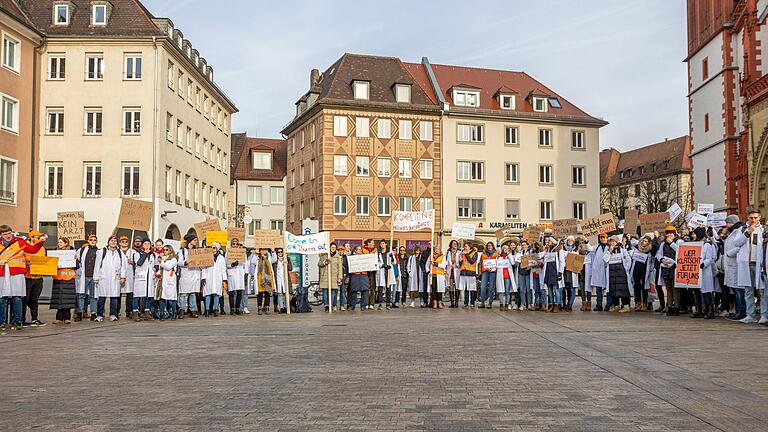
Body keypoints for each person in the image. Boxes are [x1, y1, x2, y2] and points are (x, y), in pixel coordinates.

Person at [0, 225, 45, 332]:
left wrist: (40, 242)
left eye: (9, 233)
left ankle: (18, 321)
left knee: (17, 297)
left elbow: (32, 250)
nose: (8, 236)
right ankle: (1, 322)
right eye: (5, 234)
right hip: (2, 273)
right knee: (2, 299)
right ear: (1, 235)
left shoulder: (19, 242)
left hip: (17, 273)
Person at [730, 209, 763, 324]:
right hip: (746, 263)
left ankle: (764, 315)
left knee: (762, 291)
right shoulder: (742, 229)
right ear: (748, 218)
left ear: (759, 218)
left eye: (755, 218)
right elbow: (736, 243)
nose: (753, 220)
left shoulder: (762, 229)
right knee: (748, 291)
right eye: (751, 218)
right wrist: (748, 232)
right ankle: (750, 315)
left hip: (759, 263)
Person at [94, 236, 127, 322]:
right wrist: (96, 277)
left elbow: (123, 265)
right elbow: (97, 265)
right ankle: (100, 314)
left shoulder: (119, 252)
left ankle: (113, 314)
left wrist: (123, 276)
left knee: (114, 297)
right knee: (101, 297)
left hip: (115, 278)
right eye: (111, 241)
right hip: (103, 278)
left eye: (115, 241)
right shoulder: (102, 251)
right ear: (108, 242)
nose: (113, 242)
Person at [23, 230, 47, 327]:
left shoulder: (42, 248)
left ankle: (34, 319)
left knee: (35, 299)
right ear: (32, 238)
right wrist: (28, 263)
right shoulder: (25, 247)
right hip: (27, 277)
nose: (39, 238)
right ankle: (21, 319)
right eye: (38, 237)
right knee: (25, 299)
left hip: (39, 277)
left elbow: (44, 260)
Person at [50, 237, 76, 324]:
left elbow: (77, 265)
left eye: (61, 242)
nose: (59, 243)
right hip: (58, 278)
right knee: (59, 299)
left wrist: (75, 260)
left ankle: (67, 317)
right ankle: (59, 318)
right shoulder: (55, 252)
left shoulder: (72, 252)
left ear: (66, 243)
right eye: (59, 242)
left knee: (67, 299)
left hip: (69, 279)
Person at [723, 215, 745, 319]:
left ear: (733, 223)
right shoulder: (734, 232)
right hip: (731, 265)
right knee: (736, 290)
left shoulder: (739, 231)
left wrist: (728, 254)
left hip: (735, 264)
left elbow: (739, 246)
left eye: (728, 223)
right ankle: (738, 311)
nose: (726, 225)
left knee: (739, 291)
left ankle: (741, 312)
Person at [605, 235, 632, 313]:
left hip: (621, 274)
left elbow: (628, 260)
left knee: (623, 290)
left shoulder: (622, 250)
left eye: (614, 241)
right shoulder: (608, 250)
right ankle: (616, 305)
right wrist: (609, 251)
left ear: (617, 242)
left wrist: (625, 269)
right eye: (611, 241)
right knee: (613, 290)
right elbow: (605, 260)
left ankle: (626, 306)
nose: (612, 243)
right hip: (612, 274)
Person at [75, 234, 99, 321]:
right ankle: (79, 313)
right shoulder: (81, 250)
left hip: (94, 277)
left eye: (94, 240)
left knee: (93, 296)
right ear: (88, 241)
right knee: (81, 295)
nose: (92, 241)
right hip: (83, 276)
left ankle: (93, 313)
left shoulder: (99, 252)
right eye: (91, 240)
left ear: (96, 241)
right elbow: (76, 260)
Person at [177, 233, 201, 318]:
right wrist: (185, 262)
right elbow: (178, 262)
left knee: (192, 293)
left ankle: (193, 310)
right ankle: (181, 310)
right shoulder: (182, 251)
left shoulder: (197, 251)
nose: (196, 241)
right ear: (190, 241)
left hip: (194, 274)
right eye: (194, 240)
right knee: (183, 293)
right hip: (185, 274)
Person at [630, 234, 655, 312]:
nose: (644, 242)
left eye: (646, 241)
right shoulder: (637, 248)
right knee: (637, 286)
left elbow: (652, 262)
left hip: (645, 271)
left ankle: (645, 303)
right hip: (636, 270)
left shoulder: (650, 250)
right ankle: (638, 303)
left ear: (649, 243)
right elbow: (631, 243)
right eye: (643, 241)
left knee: (645, 287)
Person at [132, 239, 156, 321]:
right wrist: (145, 253)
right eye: (145, 243)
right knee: (137, 296)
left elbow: (156, 264)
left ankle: (147, 312)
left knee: (148, 296)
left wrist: (156, 268)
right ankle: (135, 312)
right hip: (140, 277)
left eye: (148, 243)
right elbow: (139, 263)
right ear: (142, 245)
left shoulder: (153, 255)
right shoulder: (137, 253)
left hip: (150, 278)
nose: (147, 245)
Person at [202, 242, 228, 317]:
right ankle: (207, 310)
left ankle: (216, 309)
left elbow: (223, 270)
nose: (212, 249)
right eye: (211, 247)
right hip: (208, 278)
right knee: (207, 294)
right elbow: (204, 268)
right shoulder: (207, 257)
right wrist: (203, 278)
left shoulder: (221, 258)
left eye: (214, 248)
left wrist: (224, 279)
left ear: (217, 248)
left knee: (217, 294)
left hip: (217, 279)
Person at [540, 237, 564, 313]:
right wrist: (539, 247)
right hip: (548, 271)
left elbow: (562, 262)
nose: (547, 242)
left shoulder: (559, 250)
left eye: (549, 241)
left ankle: (557, 305)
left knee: (556, 290)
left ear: (553, 242)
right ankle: (551, 304)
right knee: (549, 290)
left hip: (555, 272)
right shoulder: (547, 250)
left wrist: (560, 272)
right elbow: (540, 256)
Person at [319, 243, 344, 312]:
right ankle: (326, 305)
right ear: (329, 248)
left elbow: (340, 268)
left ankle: (331, 305)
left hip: (334, 276)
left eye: (334, 247)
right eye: (332, 247)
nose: (333, 248)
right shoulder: (324, 255)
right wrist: (325, 262)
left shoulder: (337, 256)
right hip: (325, 276)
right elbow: (319, 264)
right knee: (325, 291)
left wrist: (340, 277)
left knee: (333, 291)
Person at [157, 244, 179, 320]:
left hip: (170, 281)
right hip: (162, 281)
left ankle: (174, 312)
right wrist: (157, 274)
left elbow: (168, 267)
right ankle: (162, 314)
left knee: (171, 299)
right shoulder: (163, 258)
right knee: (162, 298)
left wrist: (161, 262)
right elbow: (160, 269)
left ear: (170, 250)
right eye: (164, 250)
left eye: (166, 250)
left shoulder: (174, 259)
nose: (165, 251)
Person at [226, 238, 247, 315]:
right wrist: (231, 265)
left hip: (240, 273)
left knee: (239, 292)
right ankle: (232, 308)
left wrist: (246, 273)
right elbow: (226, 264)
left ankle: (237, 308)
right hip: (232, 273)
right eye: (233, 244)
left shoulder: (242, 253)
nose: (235, 245)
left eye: (236, 244)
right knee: (231, 292)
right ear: (231, 245)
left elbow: (245, 264)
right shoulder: (228, 252)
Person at [589, 233, 610, 311]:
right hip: (598, 270)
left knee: (608, 289)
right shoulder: (597, 246)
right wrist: (587, 241)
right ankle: (599, 304)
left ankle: (608, 304)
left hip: (606, 270)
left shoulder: (609, 247)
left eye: (604, 237)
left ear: (607, 238)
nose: (603, 239)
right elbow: (590, 249)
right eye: (601, 237)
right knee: (598, 288)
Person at [254, 248, 276, 315]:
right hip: (260, 278)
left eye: (264, 250)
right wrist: (256, 253)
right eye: (262, 250)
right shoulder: (257, 257)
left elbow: (274, 260)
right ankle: (259, 308)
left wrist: (273, 251)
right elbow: (253, 262)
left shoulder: (269, 257)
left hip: (268, 278)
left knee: (267, 293)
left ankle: (266, 307)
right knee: (260, 294)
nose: (263, 251)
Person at [347, 246, 369, 311]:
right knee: (354, 291)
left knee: (364, 291)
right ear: (355, 251)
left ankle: (363, 306)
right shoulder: (352, 258)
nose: (359, 251)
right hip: (355, 275)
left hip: (363, 274)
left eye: (360, 250)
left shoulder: (365, 258)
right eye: (358, 250)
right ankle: (352, 305)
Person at [117, 236, 135, 319]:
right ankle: (117, 311)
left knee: (129, 294)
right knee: (118, 294)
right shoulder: (117, 252)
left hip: (130, 275)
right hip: (119, 275)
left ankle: (129, 311)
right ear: (120, 243)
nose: (124, 243)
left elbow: (138, 263)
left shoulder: (132, 252)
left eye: (126, 241)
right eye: (122, 241)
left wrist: (133, 262)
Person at [496, 244, 517, 311]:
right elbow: (496, 265)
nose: (506, 249)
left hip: (507, 275)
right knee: (501, 291)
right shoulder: (499, 256)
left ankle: (507, 304)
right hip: (500, 275)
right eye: (504, 248)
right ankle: (501, 304)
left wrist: (509, 255)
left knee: (507, 291)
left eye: (507, 248)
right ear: (502, 249)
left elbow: (513, 263)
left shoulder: (509, 256)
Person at [479, 242, 498, 309]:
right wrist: (479, 272)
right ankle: (482, 302)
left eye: (491, 245)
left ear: (493, 246)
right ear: (487, 246)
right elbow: (480, 263)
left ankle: (490, 303)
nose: (489, 246)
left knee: (491, 288)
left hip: (493, 272)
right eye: (488, 245)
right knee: (483, 287)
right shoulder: (483, 254)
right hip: (485, 272)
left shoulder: (496, 254)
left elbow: (498, 263)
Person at [273, 248, 292, 313]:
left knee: (286, 294)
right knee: (279, 294)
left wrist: (287, 263)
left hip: (285, 279)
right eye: (278, 252)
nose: (280, 253)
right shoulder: (275, 260)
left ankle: (286, 307)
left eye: (281, 252)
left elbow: (290, 268)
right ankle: (281, 307)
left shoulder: (287, 259)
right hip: (278, 279)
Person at [459, 244, 478, 308]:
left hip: (471, 273)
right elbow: (461, 264)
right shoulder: (462, 253)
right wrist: (460, 259)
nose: (465, 247)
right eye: (464, 246)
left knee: (472, 289)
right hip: (464, 272)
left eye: (466, 246)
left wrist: (466, 254)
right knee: (466, 289)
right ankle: (466, 303)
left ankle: (472, 303)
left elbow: (472, 261)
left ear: (470, 247)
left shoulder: (474, 253)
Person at [375, 240, 392, 310]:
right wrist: (382, 265)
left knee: (388, 288)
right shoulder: (378, 253)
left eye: (383, 243)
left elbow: (393, 262)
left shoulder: (389, 253)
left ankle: (388, 303)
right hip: (381, 270)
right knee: (380, 288)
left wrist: (392, 257)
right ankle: (380, 304)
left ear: (386, 244)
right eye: (381, 244)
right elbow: (376, 262)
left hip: (388, 271)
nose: (382, 245)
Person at [444, 240, 461, 308]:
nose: (455, 245)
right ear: (451, 245)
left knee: (457, 287)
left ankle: (456, 303)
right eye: (453, 244)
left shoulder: (460, 252)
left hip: (457, 270)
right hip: (450, 271)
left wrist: (457, 266)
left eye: (456, 244)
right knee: (451, 286)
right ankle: (452, 303)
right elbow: (445, 262)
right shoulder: (448, 253)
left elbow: (461, 262)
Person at [517, 240, 533, 311]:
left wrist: (529, 266)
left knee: (528, 289)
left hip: (528, 272)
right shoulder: (519, 253)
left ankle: (529, 304)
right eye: (522, 245)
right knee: (521, 289)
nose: (524, 246)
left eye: (525, 245)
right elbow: (517, 261)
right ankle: (523, 304)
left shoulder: (530, 251)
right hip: (521, 272)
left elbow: (533, 261)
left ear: (527, 245)